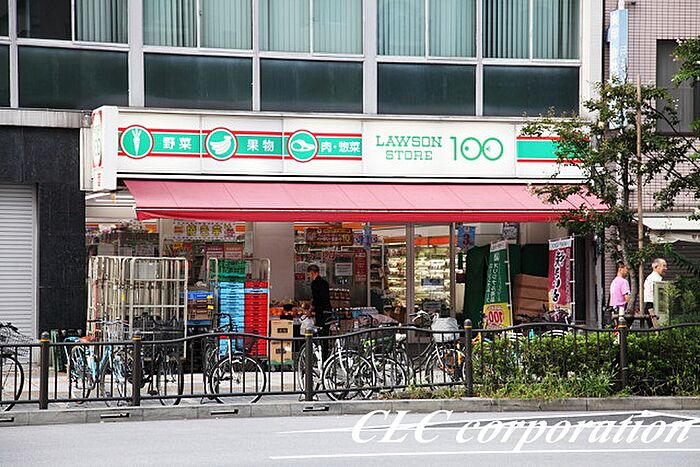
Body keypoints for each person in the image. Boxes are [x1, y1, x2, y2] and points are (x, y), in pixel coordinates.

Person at [307, 264, 332, 359]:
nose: (309, 276)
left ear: (313, 273)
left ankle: (321, 356)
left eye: (309, 274)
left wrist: (310, 310)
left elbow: (316, 299)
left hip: (321, 312)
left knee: (320, 333)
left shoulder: (315, 283)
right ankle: (325, 355)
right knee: (325, 334)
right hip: (328, 311)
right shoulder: (325, 283)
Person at [643, 258, 668, 327]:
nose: (666, 268)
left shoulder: (654, 277)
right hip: (653, 307)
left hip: (652, 306)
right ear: (656, 266)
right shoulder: (654, 279)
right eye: (664, 266)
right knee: (656, 328)